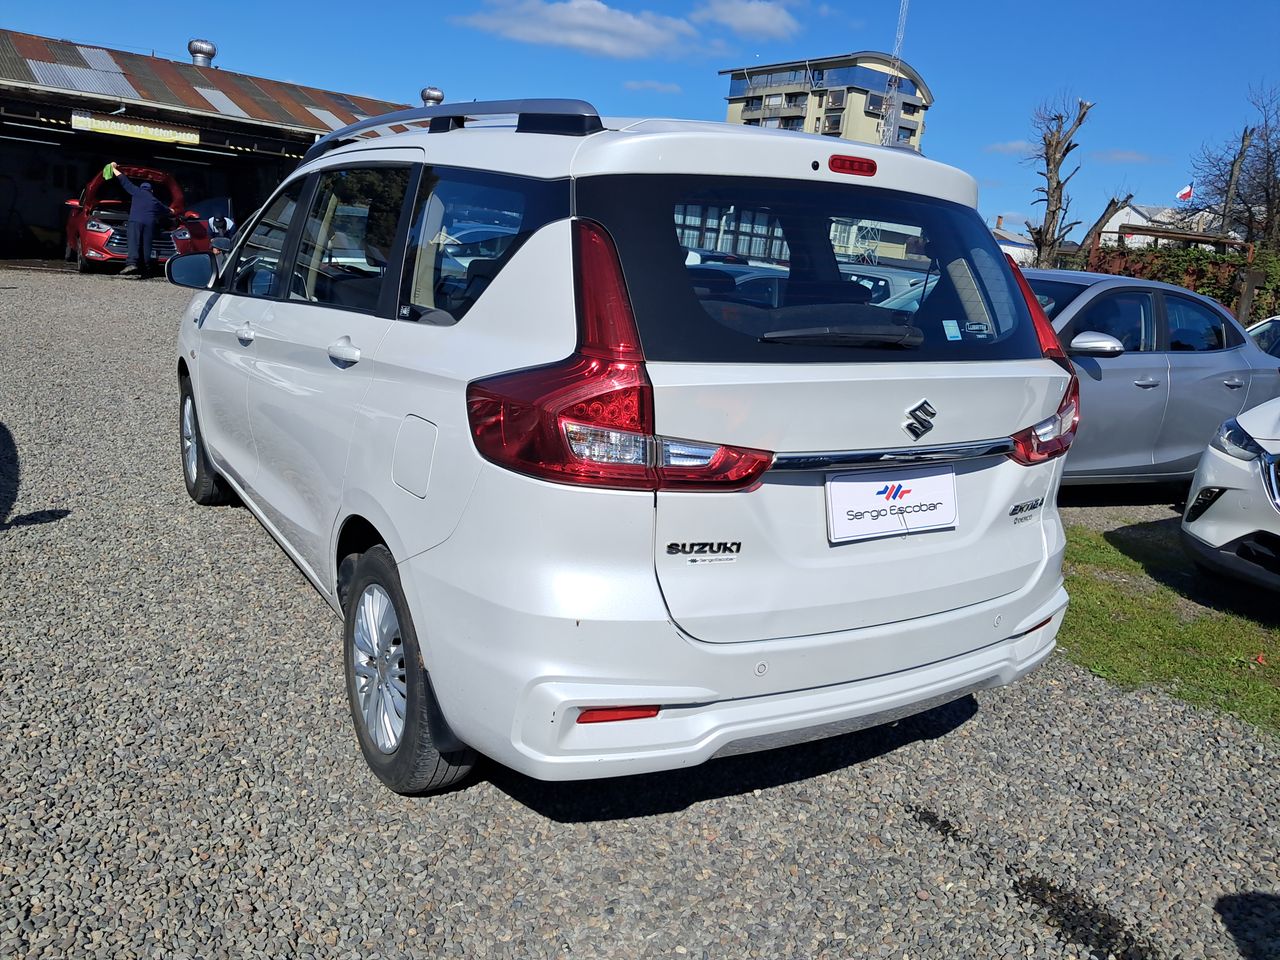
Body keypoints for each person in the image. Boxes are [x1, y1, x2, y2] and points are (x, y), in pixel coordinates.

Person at [109, 161, 172, 278]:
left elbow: (123, 180)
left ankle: (132, 263)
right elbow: (167, 210)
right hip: (149, 224)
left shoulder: (136, 191)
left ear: (141, 188)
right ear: (151, 191)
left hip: (136, 221)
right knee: (146, 245)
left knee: (134, 241)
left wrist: (113, 169)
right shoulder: (155, 200)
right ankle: (146, 268)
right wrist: (173, 210)